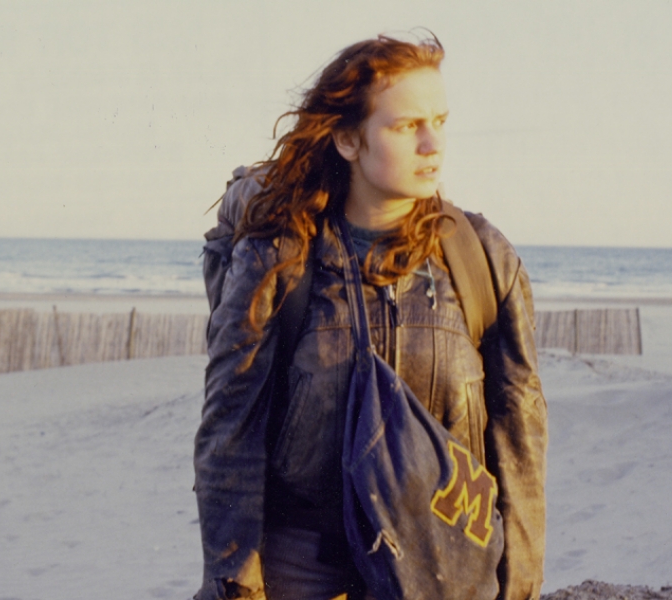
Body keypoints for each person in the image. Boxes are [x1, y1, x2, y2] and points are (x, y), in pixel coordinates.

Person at [194, 32, 547, 600]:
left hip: (441, 561)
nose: (434, 144)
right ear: (347, 140)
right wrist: (237, 583)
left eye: (441, 121)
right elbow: (229, 432)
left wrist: (520, 584)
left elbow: (519, 435)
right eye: (408, 126)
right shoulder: (281, 258)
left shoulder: (479, 258)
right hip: (305, 563)